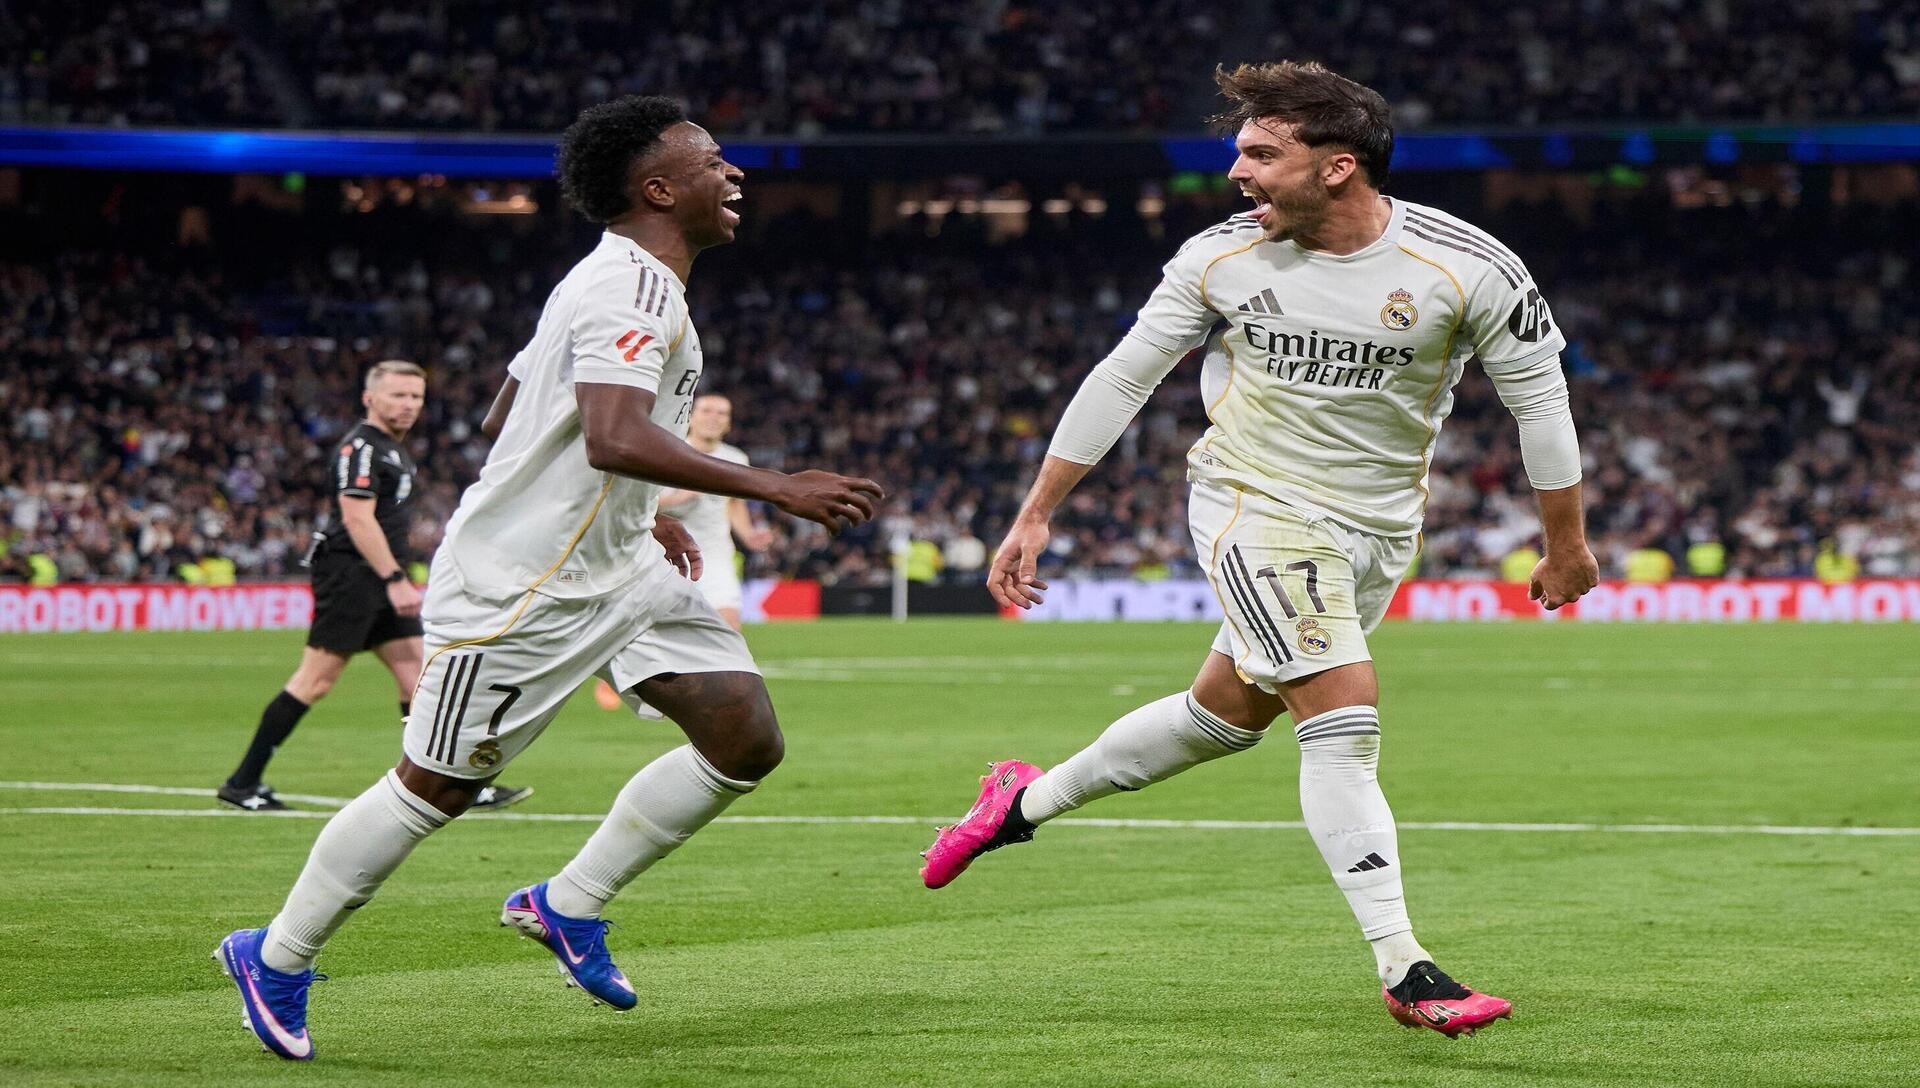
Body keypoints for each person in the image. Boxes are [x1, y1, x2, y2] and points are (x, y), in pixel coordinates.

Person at [921, 61, 1597, 1038]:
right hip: (1253, 504)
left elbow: (1542, 403)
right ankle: (1406, 965)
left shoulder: (1470, 266)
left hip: (1378, 528)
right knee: (1343, 715)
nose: (1236, 171)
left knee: (1223, 717)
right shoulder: (1219, 258)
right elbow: (1123, 377)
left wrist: (1566, 543)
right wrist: (1036, 513)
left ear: (1337, 166)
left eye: (1261, 153)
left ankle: (1020, 801)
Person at [215, 95, 884, 1060]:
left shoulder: (621, 280)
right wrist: (774, 484)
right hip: (525, 589)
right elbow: (610, 434)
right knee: (433, 787)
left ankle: (567, 904)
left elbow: (510, 414)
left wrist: (633, 508)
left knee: (744, 736)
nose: (733, 172)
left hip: (619, 565)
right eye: (712, 160)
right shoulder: (628, 287)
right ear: (659, 190)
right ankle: (275, 954)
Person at [216, 361, 529, 813]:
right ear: (369, 398)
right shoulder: (361, 449)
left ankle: (443, 782)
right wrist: (394, 578)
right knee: (314, 681)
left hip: (377, 577)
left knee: (418, 679)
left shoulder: (392, 450)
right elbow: (357, 518)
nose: (408, 405)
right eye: (397, 395)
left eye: (416, 397)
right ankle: (242, 782)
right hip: (354, 577)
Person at [589, 392, 770, 709]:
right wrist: (681, 498)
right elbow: (639, 503)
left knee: (728, 628)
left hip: (716, 556)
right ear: (691, 416)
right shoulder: (669, 452)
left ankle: (719, 701)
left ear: (728, 423)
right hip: (666, 556)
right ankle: (614, 678)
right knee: (643, 626)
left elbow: (733, 504)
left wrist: (749, 535)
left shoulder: (735, 458)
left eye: (722, 413)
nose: (713, 417)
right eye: (707, 410)